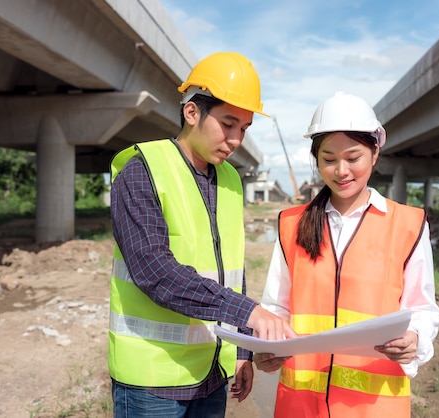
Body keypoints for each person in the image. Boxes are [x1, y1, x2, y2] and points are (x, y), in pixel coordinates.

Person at [108, 51, 297, 418]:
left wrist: (242, 352)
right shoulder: (142, 169)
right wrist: (253, 314)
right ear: (192, 112)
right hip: (152, 381)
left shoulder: (229, 180)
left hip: (212, 375)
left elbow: (233, 273)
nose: (236, 139)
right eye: (228, 124)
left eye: (244, 128)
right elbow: (154, 270)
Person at [253, 92, 439, 417]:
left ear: (374, 153)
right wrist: (267, 347)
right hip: (300, 403)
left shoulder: (408, 224)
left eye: (353, 158)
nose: (341, 170)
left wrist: (415, 337)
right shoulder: (292, 224)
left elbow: (423, 308)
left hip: (374, 406)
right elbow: (275, 307)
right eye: (328, 159)